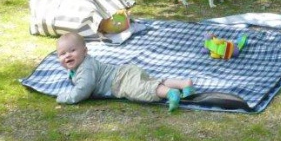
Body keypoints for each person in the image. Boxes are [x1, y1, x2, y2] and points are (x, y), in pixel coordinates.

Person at [55, 32, 194, 112]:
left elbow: (83, 90)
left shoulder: (86, 68)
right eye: (62, 54)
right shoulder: (77, 67)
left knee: (143, 89)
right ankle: (183, 84)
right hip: (124, 72)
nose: (67, 55)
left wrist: (65, 97)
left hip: (119, 82)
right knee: (151, 81)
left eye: (72, 50)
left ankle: (170, 93)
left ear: (85, 52)